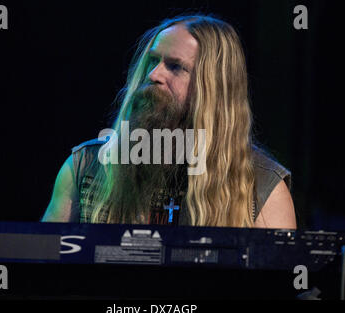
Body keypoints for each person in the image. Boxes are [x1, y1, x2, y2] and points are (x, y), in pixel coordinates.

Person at [41, 14, 297, 229]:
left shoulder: (260, 188)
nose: (153, 75)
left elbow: (277, 287)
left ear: (213, 89)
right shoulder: (86, 168)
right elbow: (45, 269)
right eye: (153, 61)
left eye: (175, 67)